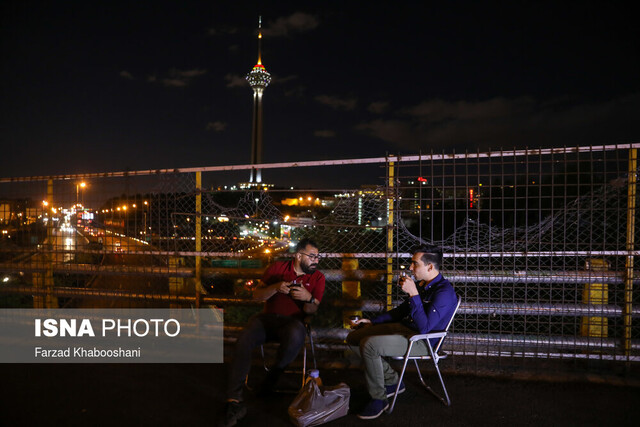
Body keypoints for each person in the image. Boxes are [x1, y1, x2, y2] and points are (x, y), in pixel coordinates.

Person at [219, 238, 325, 427]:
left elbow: (313, 311)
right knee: (244, 339)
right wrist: (275, 287)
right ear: (298, 255)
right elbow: (257, 296)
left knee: (295, 333)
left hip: (293, 323)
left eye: (318, 257)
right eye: (312, 256)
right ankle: (234, 400)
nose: (316, 260)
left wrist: (308, 299)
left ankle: (271, 379)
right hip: (267, 320)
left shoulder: (317, 278)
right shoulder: (277, 268)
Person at [346, 245, 457, 420]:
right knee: (354, 337)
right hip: (406, 328)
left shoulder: (444, 292)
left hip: (422, 341)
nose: (410, 267)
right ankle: (392, 381)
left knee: (369, 345)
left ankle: (378, 399)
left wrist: (413, 294)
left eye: (415, 264)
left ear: (430, 267)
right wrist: (373, 321)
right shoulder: (424, 285)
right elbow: (401, 311)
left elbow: (425, 328)